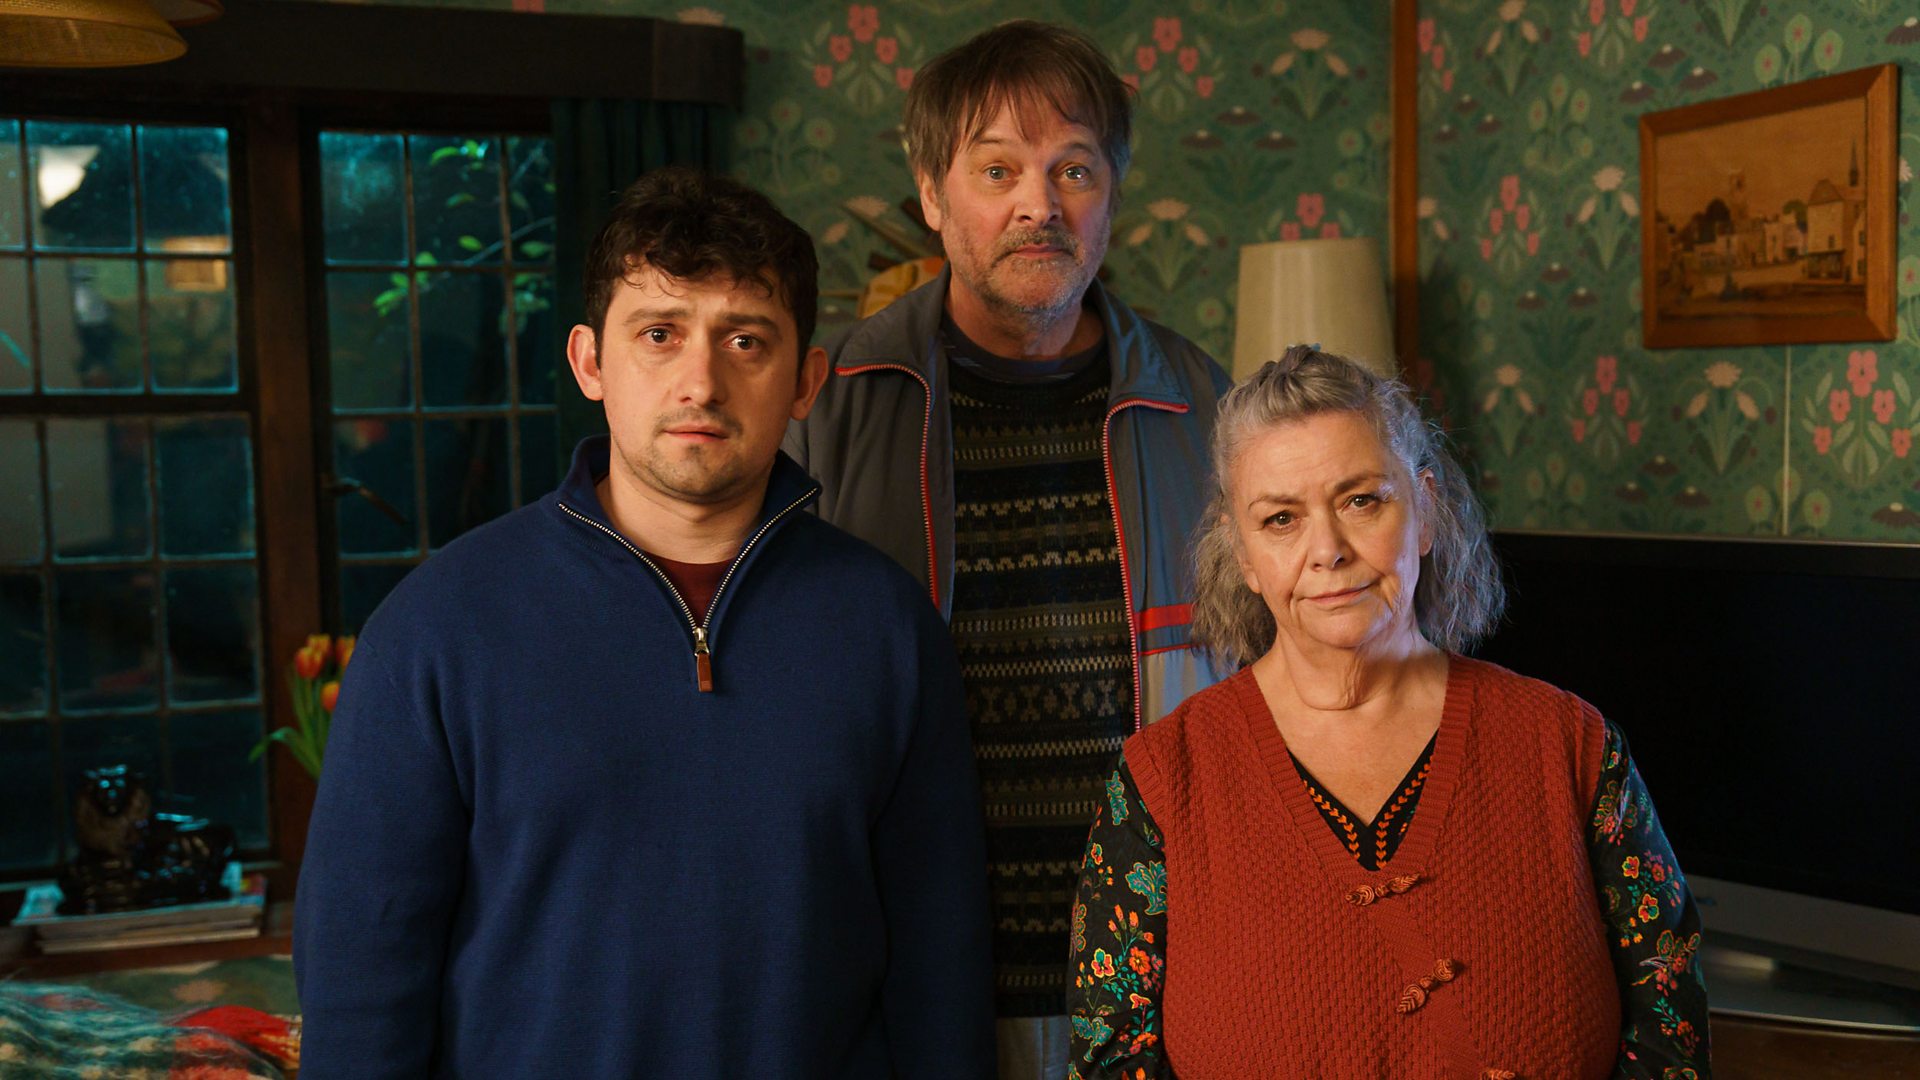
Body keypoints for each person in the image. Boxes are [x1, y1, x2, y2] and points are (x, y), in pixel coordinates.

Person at [296, 167, 995, 1079]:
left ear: (805, 380)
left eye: (745, 340)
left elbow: (941, 972)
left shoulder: (889, 629)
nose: (701, 382)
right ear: (590, 362)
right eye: (659, 334)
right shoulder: (434, 632)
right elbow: (362, 979)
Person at [783, 21, 1232, 1078]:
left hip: (1167, 981)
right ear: (932, 196)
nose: (1041, 205)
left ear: (1111, 194)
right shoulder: (824, 406)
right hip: (910, 983)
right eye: (997, 171)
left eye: (1074, 169)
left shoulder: (1209, 409)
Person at [1067, 346, 1711, 1078]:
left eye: (1361, 501)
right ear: (1242, 553)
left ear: (1425, 509)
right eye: (1281, 519)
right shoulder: (1161, 781)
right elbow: (1109, 1059)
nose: (1328, 551)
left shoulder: (1572, 746)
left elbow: (1670, 1036)